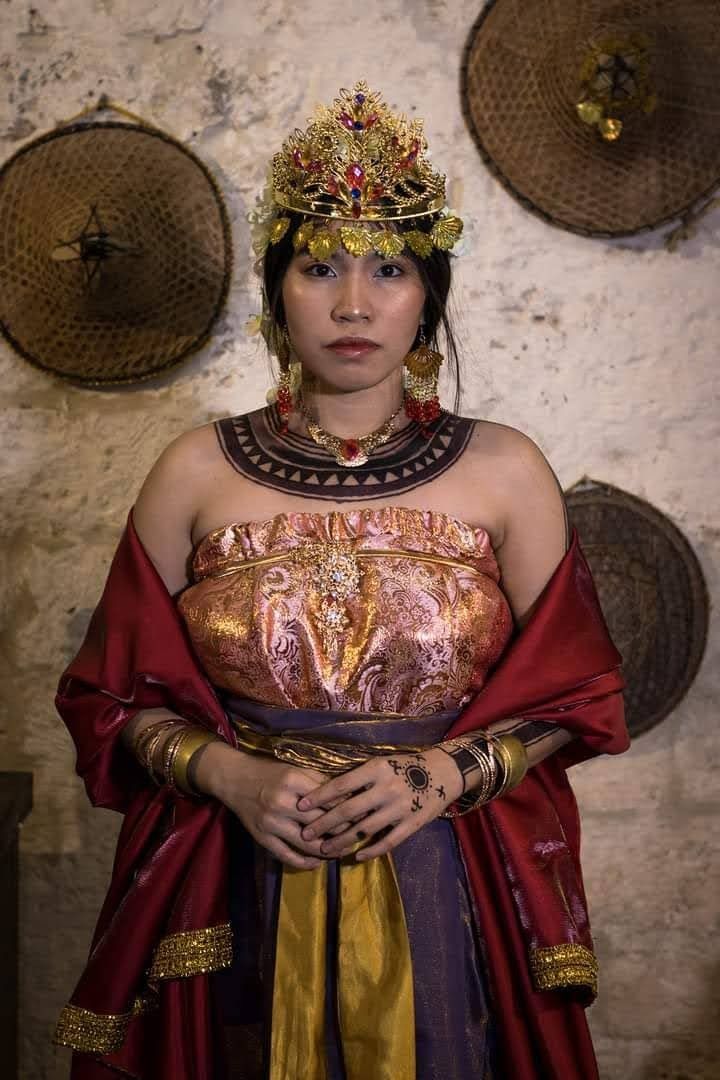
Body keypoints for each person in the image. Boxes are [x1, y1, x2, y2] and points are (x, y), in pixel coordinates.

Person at [54, 82, 628, 1080]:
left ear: (429, 295)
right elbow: (105, 698)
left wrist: (441, 774)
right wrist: (233, 775)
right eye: (319, 267)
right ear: (279, 287)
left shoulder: (506, 471)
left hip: (447, 867)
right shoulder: (195, 471)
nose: (354, 303)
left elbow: (580, 697)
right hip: (239, 869)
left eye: (391, 269)